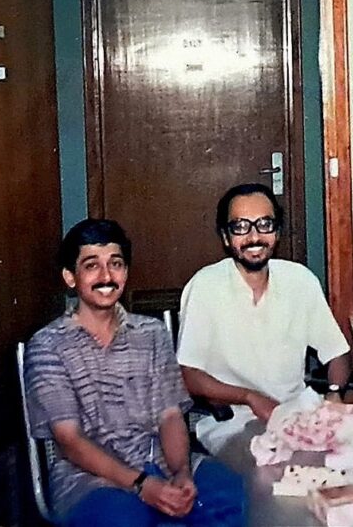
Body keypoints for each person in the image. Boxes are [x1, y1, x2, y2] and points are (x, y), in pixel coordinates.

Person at [23, 219, 245, 527]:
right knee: (126, 521)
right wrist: (141, 485)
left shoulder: (151, 333)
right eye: (91, 266)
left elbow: (170, 416)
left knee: (232, 496)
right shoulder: (47, 346)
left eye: (116, 264)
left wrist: (181, 472)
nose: (106, 276)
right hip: (90, 480)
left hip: (160, 463)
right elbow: (69, 440)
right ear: (70, 277)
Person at [176, 183, 351, 454]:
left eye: (264, 224)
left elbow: (337, 352)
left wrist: (334, 393)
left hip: (298, 413)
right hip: (232, 421)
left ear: (277, 232)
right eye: (241, 227)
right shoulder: (205, 286)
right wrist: (249, 397)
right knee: (270, 473)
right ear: (225, 237)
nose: (254, 237)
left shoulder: (300, 280)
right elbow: (189, 375)